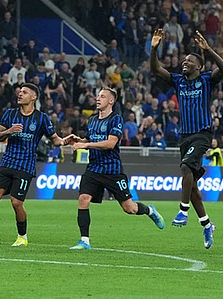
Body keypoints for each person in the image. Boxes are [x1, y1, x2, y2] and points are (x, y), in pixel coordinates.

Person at [150, 29, 223, 249]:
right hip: (184, 136)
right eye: (184, 61)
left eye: (189, 61)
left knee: (186, 168)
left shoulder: (206, 80)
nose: (184, 63)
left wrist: (208, 50)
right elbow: (156, 69)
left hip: (202, 133)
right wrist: (154, 48)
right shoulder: (178, 81)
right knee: (192, 185)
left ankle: (183, 211)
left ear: (199, 66)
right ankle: (207, 225)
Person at [0, 83, 67, 246]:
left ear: (33, 97)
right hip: (7, 163)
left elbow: (55, 140)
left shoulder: (41, 118)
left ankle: (22, 237)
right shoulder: (10, 114)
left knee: (16, 202)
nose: (20, 94)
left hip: (25, 166)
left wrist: (65, 141)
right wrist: (8, 132)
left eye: (25, 92)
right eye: (20, 91)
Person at [67, 87, 164, 250]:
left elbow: (110, 144)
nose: (98, 99)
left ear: (111, 101)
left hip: (113, 171)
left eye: (102, 96)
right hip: (93, 169)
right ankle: (84, 240)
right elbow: (91, 139)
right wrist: (78, 140)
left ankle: (149, 211)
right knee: (83, 199)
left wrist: (86, 144)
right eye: (98, 96)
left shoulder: (116, 119)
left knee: (130, 208)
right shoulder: (92, 120)